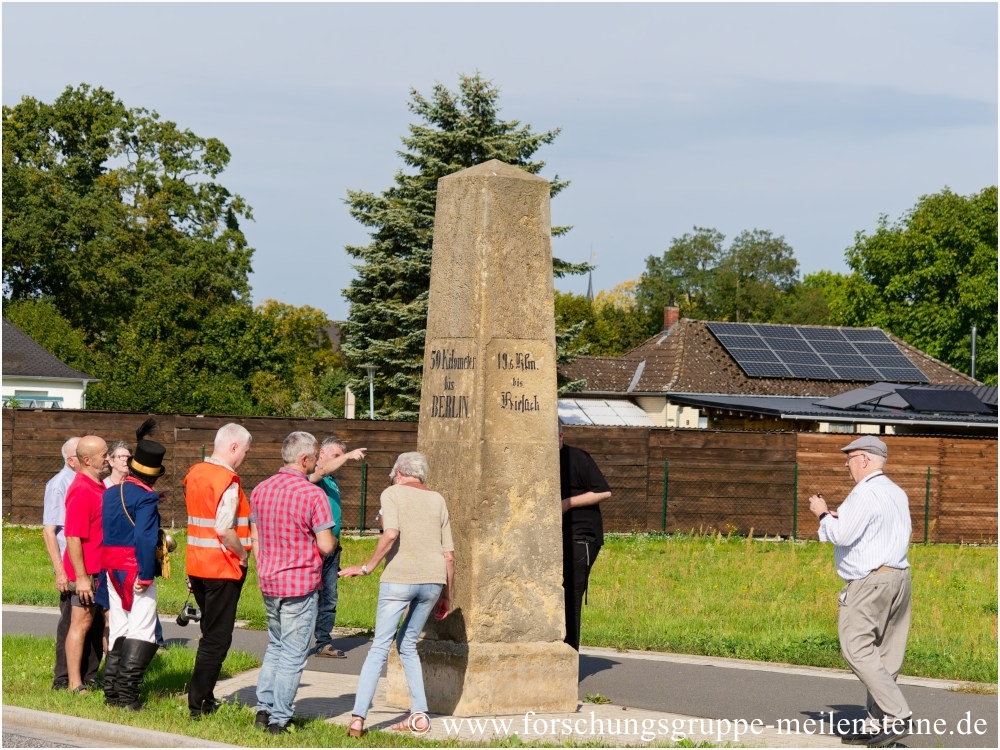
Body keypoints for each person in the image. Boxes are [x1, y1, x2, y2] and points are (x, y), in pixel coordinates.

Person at [340, 451, 454, 738]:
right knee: (408, 644)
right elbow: (449, 554)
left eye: (394, 475)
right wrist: (446, 595)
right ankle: (420, 715)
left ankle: (357, 719)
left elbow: (390, 533)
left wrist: (367, 567)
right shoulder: (437, 499)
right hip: (433, 580)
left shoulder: (392, 493)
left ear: (399, 473)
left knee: (380, 647)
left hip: (400, 578)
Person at [809, 435, 913, 749]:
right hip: (899, 577)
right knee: (886, 656)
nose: (846, 464)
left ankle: (897, 714)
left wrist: (823, 513)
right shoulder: (896, 492)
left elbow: (839, 535)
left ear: (865, 460)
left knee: (856, 648)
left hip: (869, 582)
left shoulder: (863, 493)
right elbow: (885, 529)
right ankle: (876, 722)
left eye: (850, 458)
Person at [250, 432, 336, 734]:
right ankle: (280, 718)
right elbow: (326, 546)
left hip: (269, 581)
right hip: (299, 583)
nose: (316, 463)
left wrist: (263, 567)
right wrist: (331, 539)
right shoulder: (314, 495)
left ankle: (263, 708)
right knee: (293, 653)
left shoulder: (261, 490)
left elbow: (256, 537)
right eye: (315, 457)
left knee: (275, 645)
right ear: (304, 459)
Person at [184, 422, 253, 719]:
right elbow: (224, 530)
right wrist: (243, 556)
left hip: (197, 565)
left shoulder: (196, 473)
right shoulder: (228, 480)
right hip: (223, 568)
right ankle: (198, 703)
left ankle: (205, 697)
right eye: (246, 452)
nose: (245, 458)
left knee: (209, 631)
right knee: (217, 638)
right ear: (234, 446)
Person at [101, 423, 166, 710]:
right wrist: (146, 574)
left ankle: (111, 693)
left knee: (119, 628)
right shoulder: (148, 497)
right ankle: (128, 697)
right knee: (142, 630)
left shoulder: (110, 492)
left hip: (111, 568)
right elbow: (143, 536)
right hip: (135, 568)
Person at [43, 436, 95, 691]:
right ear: (71, 459)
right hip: (70, 564)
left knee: (88, 620)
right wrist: (60, 572)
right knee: (69, 621)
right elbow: (50, 531)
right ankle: (63, 677)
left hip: (85, 562)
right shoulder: (59, 485)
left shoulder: (85, 481)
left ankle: (89, 673)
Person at [308, 437, 367, 658]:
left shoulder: (331, 480)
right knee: (309, 596)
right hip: (315, 547)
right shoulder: (315, 475)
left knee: (329, 597)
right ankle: (301, 643)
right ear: (321, 453)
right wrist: (348, 455)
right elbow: (321, 471)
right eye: (336, 455)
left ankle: (323, 641)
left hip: (332, 548)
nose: (340, 460)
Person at [62, 435, 108, 693]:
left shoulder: (97, 485)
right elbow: (72, 536)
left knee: (94, 623)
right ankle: (74, 683)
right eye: (103, 454)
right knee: (80, 623)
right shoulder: (81, 490)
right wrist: (81, 577)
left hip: (98, 569)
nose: (107, 457)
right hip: (86, 572)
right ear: (87, 460)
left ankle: (99, 676)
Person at [559, 428, 611, 651]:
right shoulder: (543, 460)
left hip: (581, 538)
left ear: (561, 436)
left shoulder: (577, 457)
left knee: (571, 597)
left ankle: (570, 654)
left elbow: (603, 492)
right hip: (559, 537)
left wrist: (567, 503)